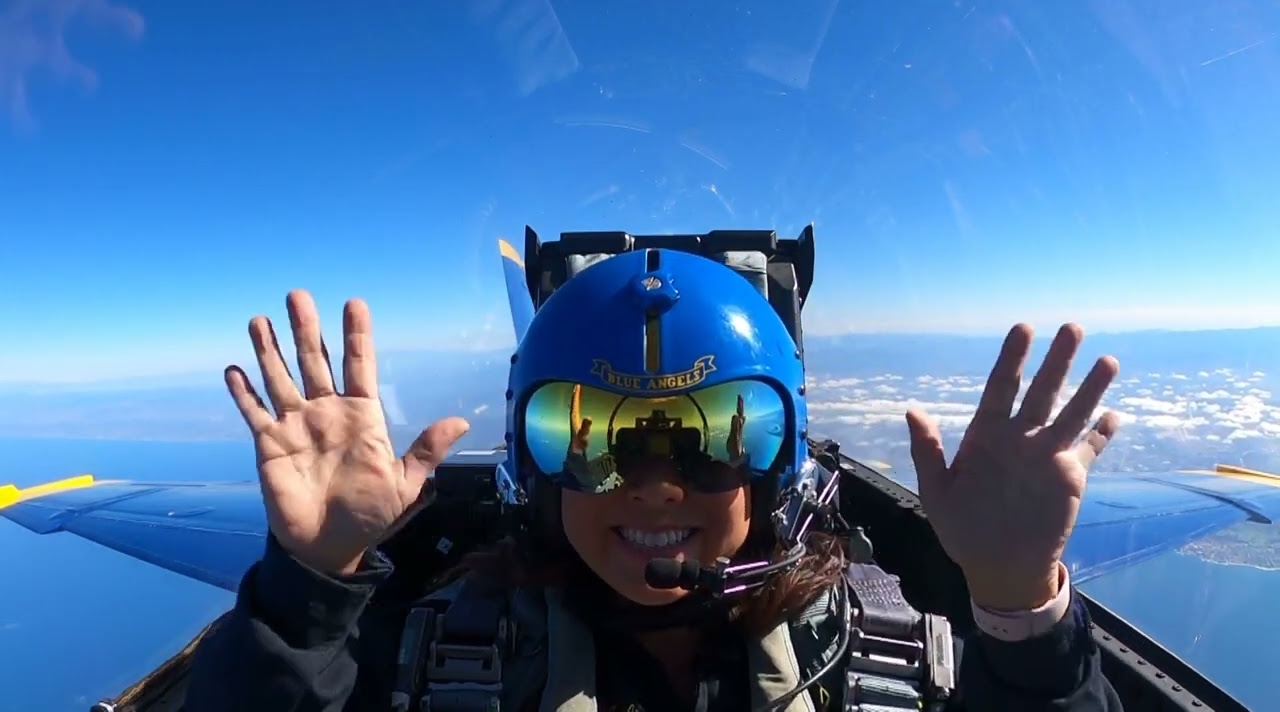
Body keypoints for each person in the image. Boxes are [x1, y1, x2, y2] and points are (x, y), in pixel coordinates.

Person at [186, 248, 1124, 712]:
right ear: (534, 467)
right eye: (591, 436)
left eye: (714, 435)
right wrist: (307, 590)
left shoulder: (869, 650)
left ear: (781, 461)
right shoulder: (435, 647)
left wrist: (1016, 608)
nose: (655, 485)